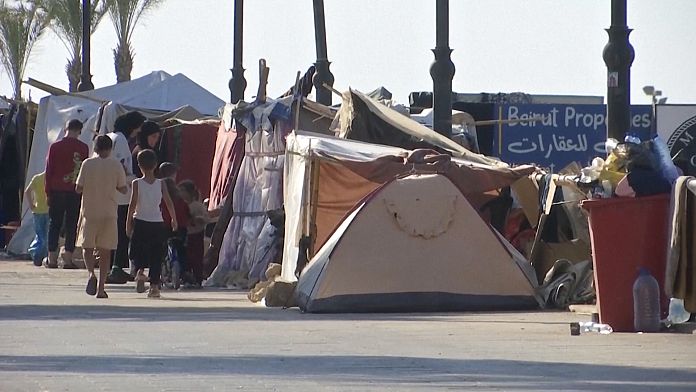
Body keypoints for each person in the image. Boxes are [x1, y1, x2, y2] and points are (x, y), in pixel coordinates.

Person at [75, 136, 127, 298]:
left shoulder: (87, 163)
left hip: (90, 211)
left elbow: (78, 188)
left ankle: (91, 273)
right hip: (109, 211)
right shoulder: (116, 164)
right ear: (110, 148)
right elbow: (123, 189)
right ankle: (101, 288)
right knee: (106, 251)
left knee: (87, 247)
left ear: (95, 148)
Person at [126, 149, 177, 298]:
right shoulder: (161, 184)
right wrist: (174, 219)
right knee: (156, 254)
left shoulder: (136, 183)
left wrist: (128, 222)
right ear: (155, 165)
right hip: (157, 222)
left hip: (140, 221)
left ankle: (140, 271)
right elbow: (168, 201)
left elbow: (132, 204)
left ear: (139, 166)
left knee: (137, 250)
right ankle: (154, 286)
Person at [106, 111, 146, 284]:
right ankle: (116, 267)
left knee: (108, 233)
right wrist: (129, 180)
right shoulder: (121, 140)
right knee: (122, 232)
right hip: (120, 194)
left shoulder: (109, 136)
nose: (138, 132)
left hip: (106, 192)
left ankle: (107, 267)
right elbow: (120, 164)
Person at [45, 119, 89, 269]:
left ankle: (51, 258)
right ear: (80, 130)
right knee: (72, 225)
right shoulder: (83, 148)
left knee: (54, 224)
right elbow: (84, 172)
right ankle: (68, 258)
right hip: (75, 190)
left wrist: (47, 192)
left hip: (56, 189)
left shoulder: (55, 146)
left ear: (66, 128)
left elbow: (49, 170)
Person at [159, 163, 190, 289]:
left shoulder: (160, 198)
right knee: (182, 249)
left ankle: (160, 271)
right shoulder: (180, 200)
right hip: (180, 228)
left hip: (163, 227)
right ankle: (183, 271)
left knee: (161, 250)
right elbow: (187, 213)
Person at [178, 180, 208, 286]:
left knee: (197, 257)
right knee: (186, 257)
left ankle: (197, 278)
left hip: (197, 234)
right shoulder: (180, 206)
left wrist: (197, 219)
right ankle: (186, 277)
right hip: (185, 234)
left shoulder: (197, 206)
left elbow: (205, 218)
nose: (180, 192)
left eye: (182, 190)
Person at [24, 171, 49, 266]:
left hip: (37, 210)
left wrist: (31, 204)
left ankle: (35, 253)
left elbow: (27, 191)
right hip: (48, 210)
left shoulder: (37, 178)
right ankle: (41, 255)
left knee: (39, 234)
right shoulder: (51, 179)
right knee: (47, 235)